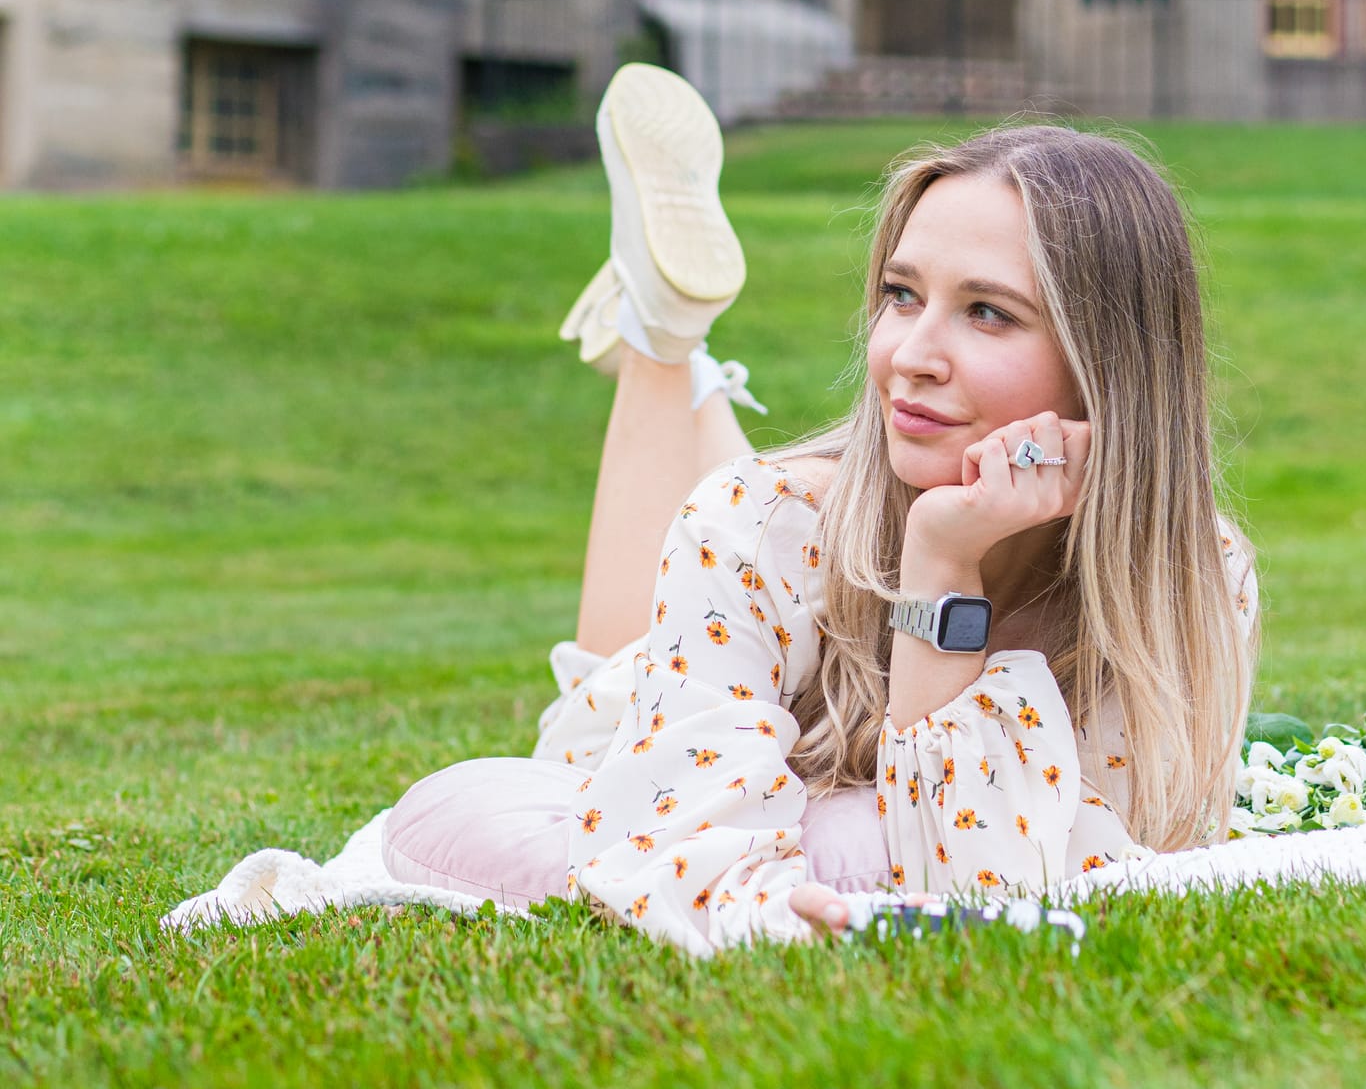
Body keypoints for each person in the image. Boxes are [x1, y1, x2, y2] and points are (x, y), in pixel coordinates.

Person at [379, 66, 1258, 954]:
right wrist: (937, 569)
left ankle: (668, 338)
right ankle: (659, 337)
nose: (909, 354)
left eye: (987, 313)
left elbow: (1046, 872)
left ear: (1106, 364)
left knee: (773, 519)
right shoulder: (753, 522)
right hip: (660, 688)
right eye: (900, 295)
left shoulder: (1197, 577)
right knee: (621, 654)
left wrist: (942, 561)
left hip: (795, 562)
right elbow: (675, 849)